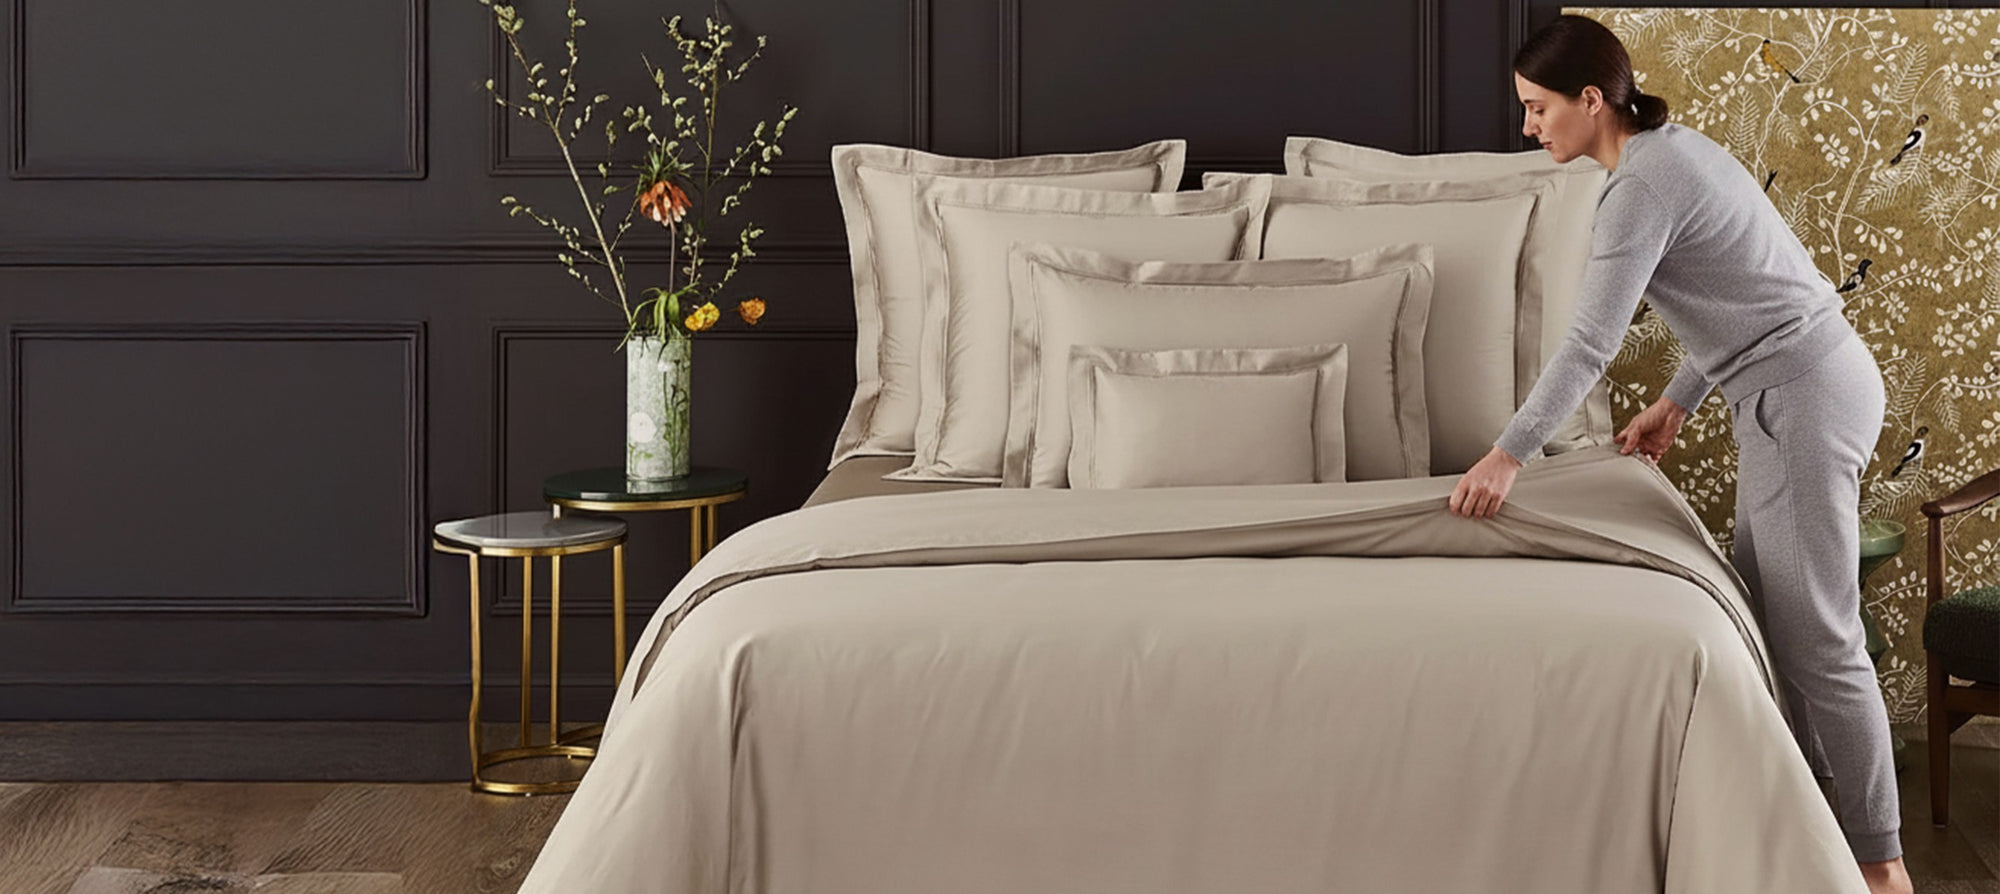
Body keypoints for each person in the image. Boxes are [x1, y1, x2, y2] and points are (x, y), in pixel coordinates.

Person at [1446, 14, 1909, 894]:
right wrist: (1676, 401)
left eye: (1539, 108)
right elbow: (1749, 286)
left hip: (1801, 397)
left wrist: (1509, 454)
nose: (1528, 126)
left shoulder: (1640, 189)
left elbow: (1589, 345)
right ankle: (1810, 828)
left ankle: (1880, 868)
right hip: (1803, 384)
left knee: (1819, 639)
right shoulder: (1675, 151)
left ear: (1592, 100)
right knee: (1774, 614)